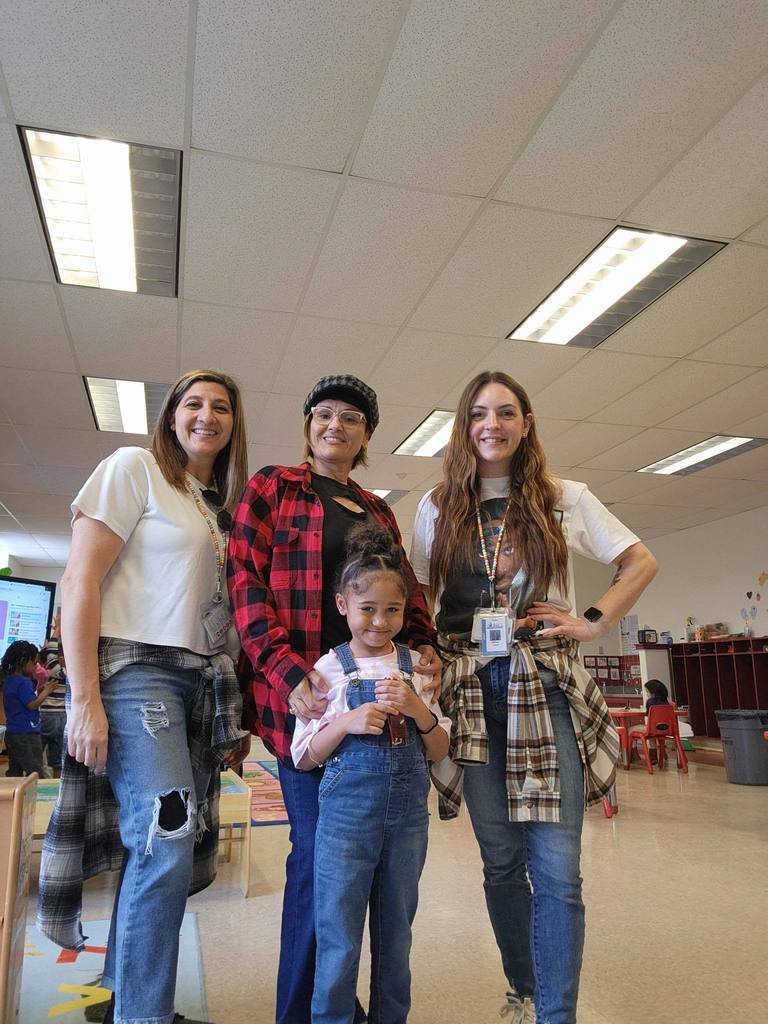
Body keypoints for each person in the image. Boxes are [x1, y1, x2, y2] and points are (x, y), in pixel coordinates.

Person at [410, 370, 658, 1024]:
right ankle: (522, 987)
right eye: (479, 414)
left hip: (542, 688)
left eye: (506, 413)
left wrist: (596, 620)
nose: (492, 424)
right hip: (469, 696)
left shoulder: (562, 498)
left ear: (526, 425)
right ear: (465, 427)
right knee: (499, 863)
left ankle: (556, 1013)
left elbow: (639, 561)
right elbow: (416, 601)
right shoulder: (437, 506)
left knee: (557, 871)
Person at [37, 369, 251, 1024]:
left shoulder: (214, 506)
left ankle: (122, 997)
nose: (206, 415)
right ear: (169, 415)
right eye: (193, 403)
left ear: (234, 424)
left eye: (221, 406)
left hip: (199, 684)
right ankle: (142, 1015)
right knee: (167, 838)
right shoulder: (133, 468)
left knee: (161, 849)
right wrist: (83, 699)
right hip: (138, 676)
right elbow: (79, 581)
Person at [228, 374, 440, 1024]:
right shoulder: (270, 487)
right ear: (308, 424)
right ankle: (303, 1013)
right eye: (324, 414)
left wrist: (427, 643)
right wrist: (287, 671)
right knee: (318, 863)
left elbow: (405, 587)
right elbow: (243, 580)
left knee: (354, 877)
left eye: (352, 419)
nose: (336, 426)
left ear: (366, 436)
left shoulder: (377, 512)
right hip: (303, 704)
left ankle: (334, 1001)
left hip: (374, 715)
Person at [291, 523, 449, 1024]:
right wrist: (345, 722)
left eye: (393, 610)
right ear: (342, 605)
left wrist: (419, 711)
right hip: (344, 822)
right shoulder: (328, 670)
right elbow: (303, 756)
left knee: (396, 934)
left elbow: (441, 748)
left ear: (406, 610)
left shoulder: (418, 669)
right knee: (338, 936)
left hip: (407, 823)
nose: (380, 622)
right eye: (367, 609)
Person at [2, 640, 57, 776]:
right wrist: (46, 691)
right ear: (22, 661)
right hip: (26, 733)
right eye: (34, 663)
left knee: (15, 770)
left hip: (13, 733)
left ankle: (15, 795)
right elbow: (32, 705)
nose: (36, 666)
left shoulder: (9, 680)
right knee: (36, 770)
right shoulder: (23, 682)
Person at [39, 615, 68, 777]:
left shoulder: (56, 671)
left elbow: (50, 652)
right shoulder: (71, 673)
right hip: (63, 716)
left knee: (37, 752)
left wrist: (57, 629)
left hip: (48, 716)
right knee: (57, 759)